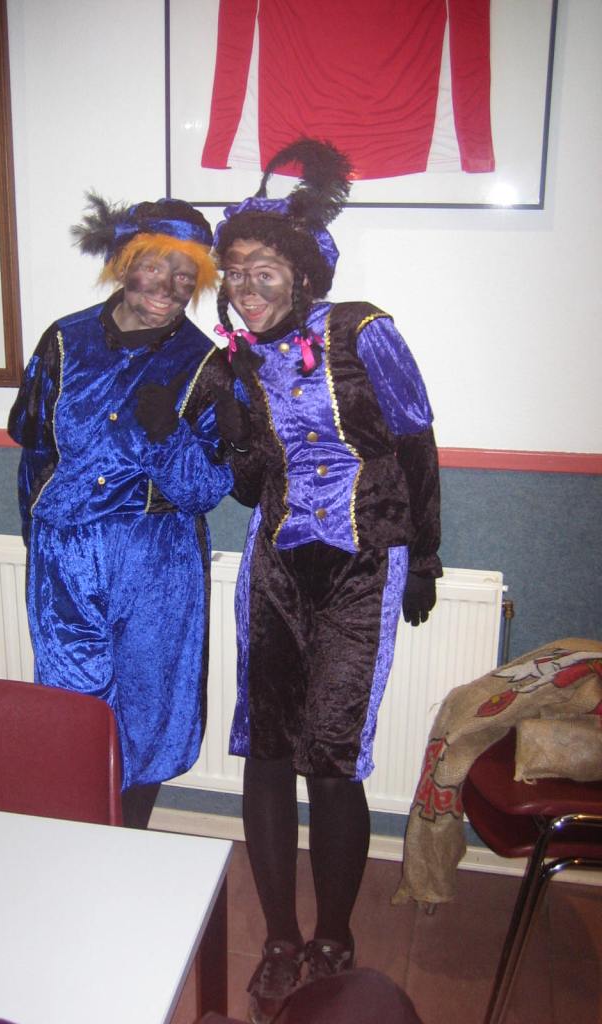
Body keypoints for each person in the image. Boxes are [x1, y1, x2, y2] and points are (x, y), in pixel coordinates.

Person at [213, 139, 441, 1024]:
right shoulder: (239, 356)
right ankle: (279, 936)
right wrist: (231, 429)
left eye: (262, 270)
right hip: (275, 563)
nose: (246, 287)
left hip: (361, 562)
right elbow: (248, 486)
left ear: (302, 273)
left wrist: (424, 555)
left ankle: (334, 935)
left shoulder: (363, 330)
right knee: (268, 749)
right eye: (235, 273)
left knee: (333, 757)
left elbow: (417, 443)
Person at [7, 194, 246, 830]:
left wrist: (168, 437)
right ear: (124, 263)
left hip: (156, 557)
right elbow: (35, 451)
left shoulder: (205, 364)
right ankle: (81, 833)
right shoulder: (65, 340)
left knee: (147, 705)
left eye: (185, 275)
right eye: (154, 266)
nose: (167, 287)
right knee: (72, 700)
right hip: (64, 553)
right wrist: (37, 537)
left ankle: (128, 838)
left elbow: (206, 490)